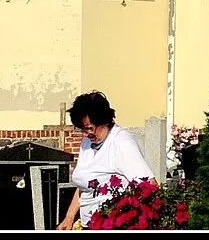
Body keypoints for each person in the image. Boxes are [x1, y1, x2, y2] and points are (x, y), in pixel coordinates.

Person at [57, 91, 154, 229]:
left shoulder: (121, 143)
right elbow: (84, 186)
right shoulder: (87, 142)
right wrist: (69, 218)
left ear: (104, 122)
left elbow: (149, 186)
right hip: (88, 225)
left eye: (89, 129)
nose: (84, 134)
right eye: (82, 129)